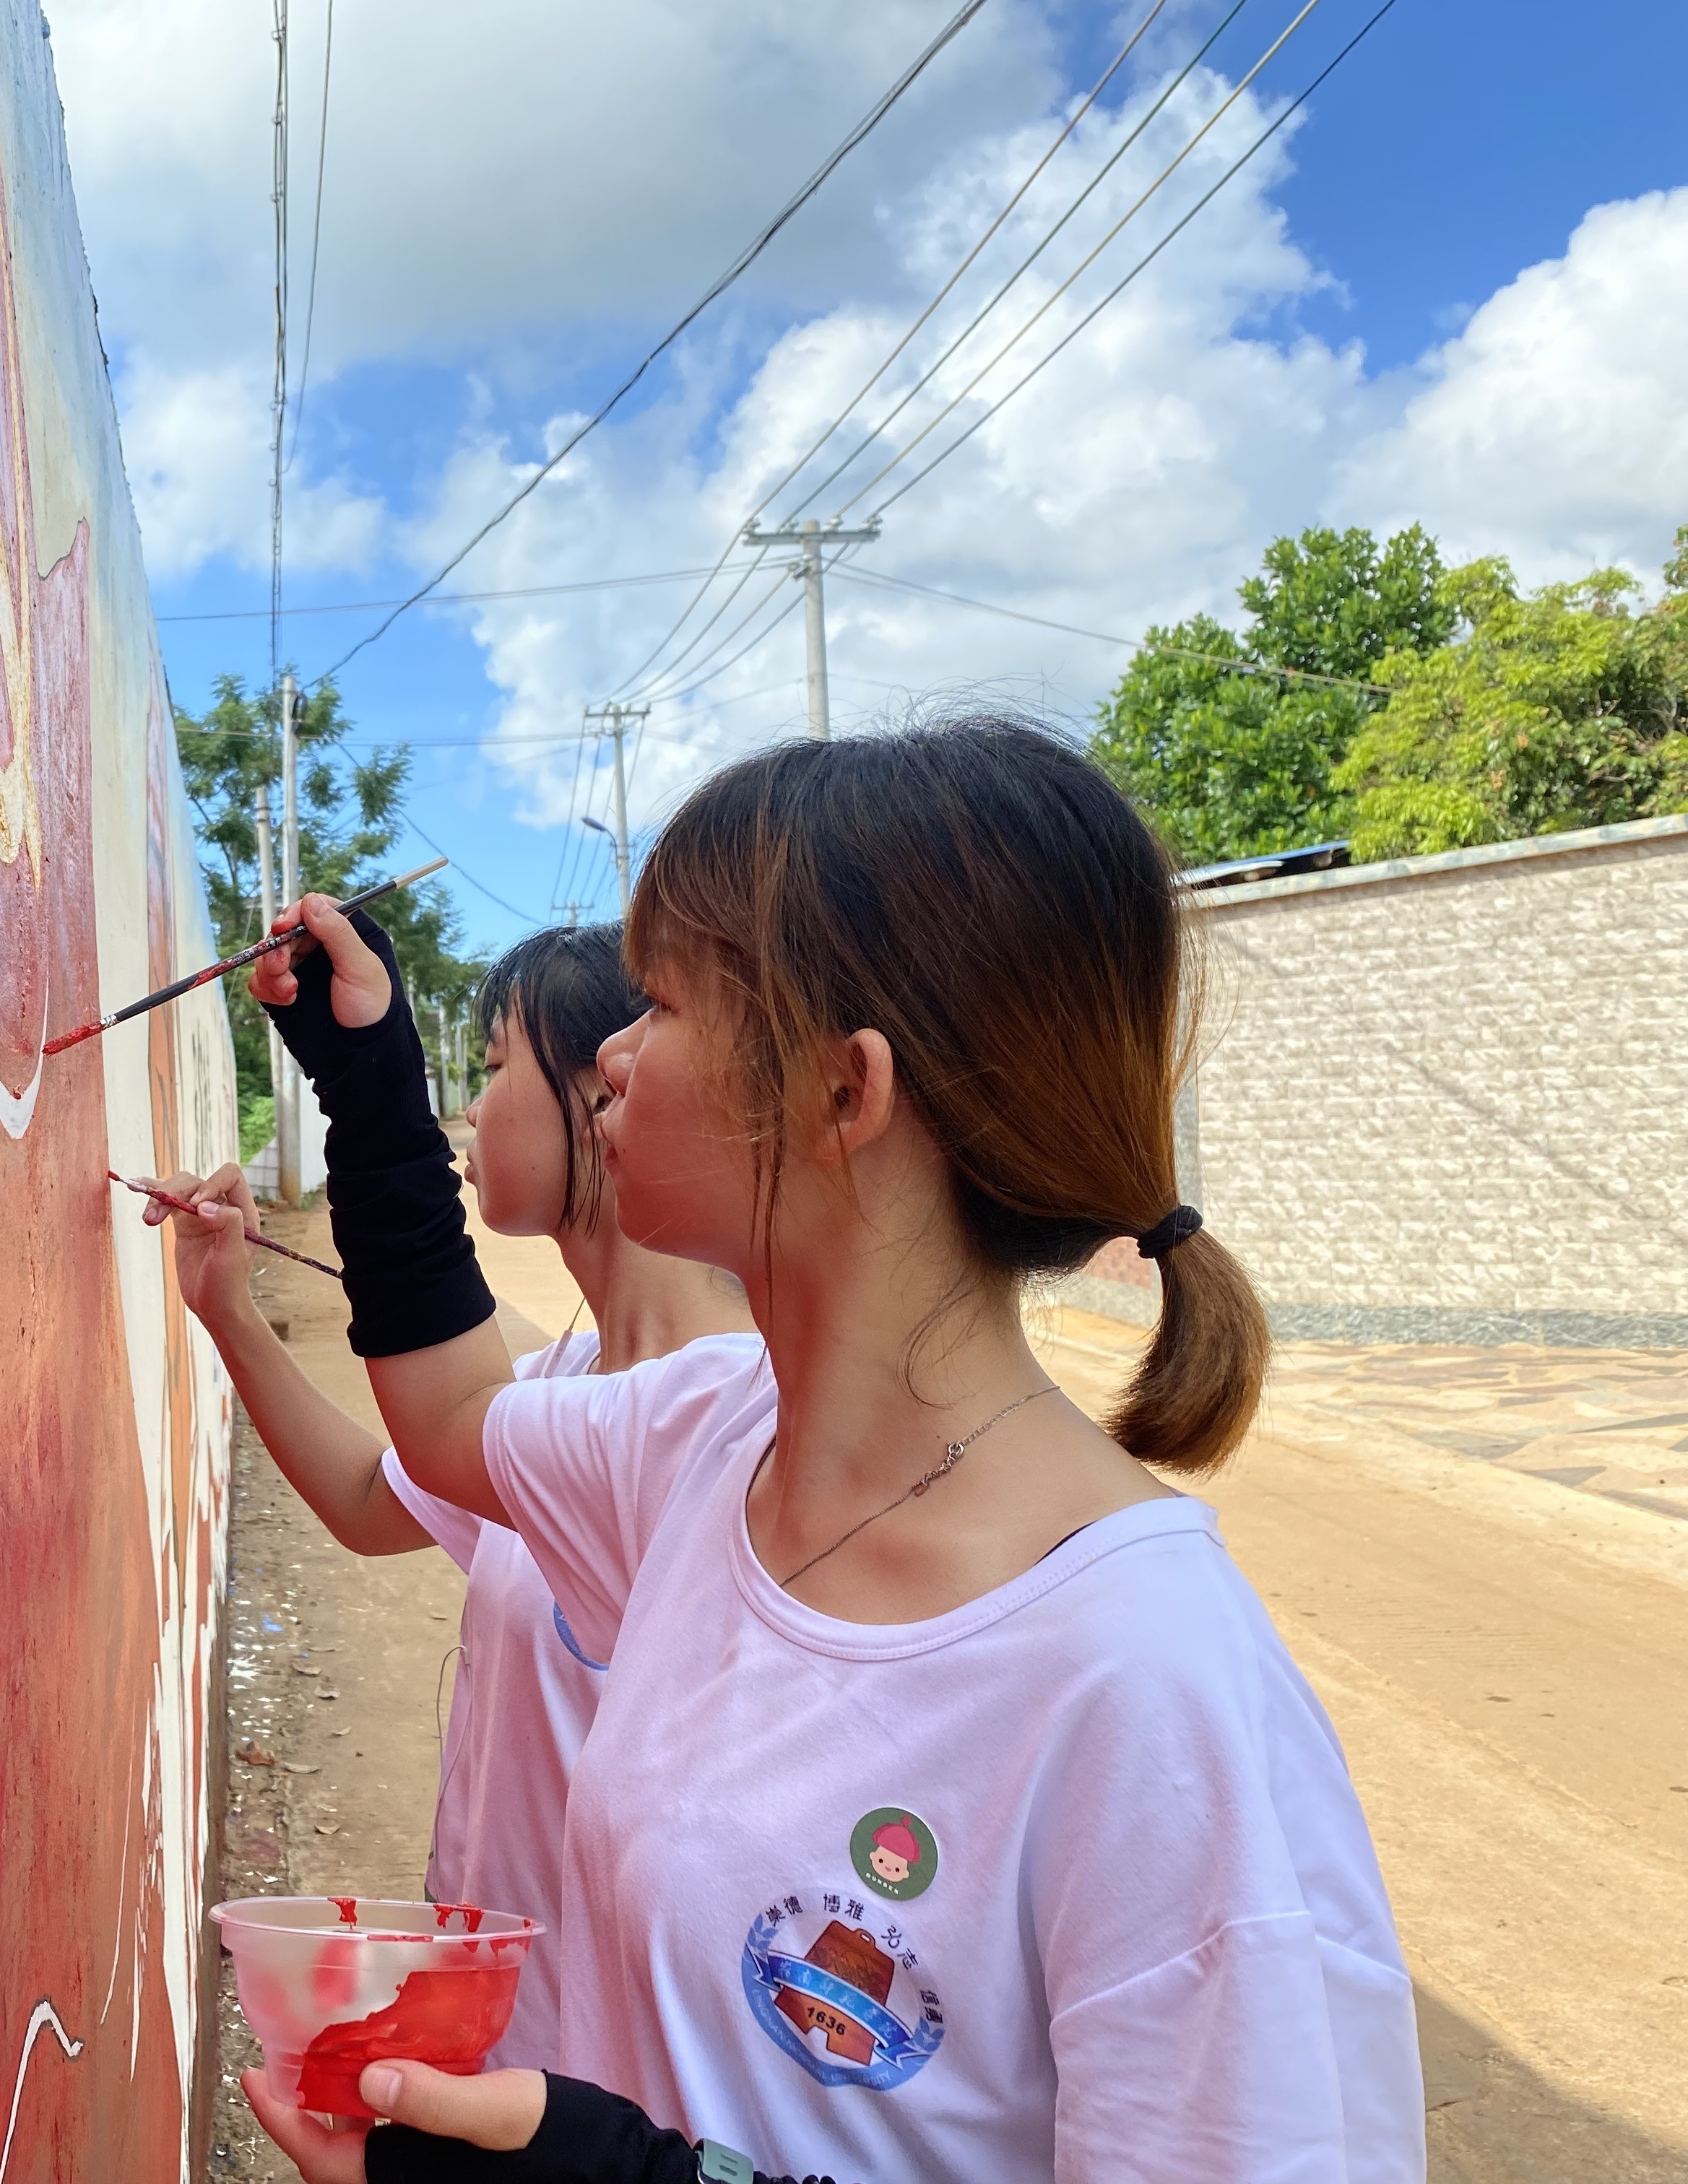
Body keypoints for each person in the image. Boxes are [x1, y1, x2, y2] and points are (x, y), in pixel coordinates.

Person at [220, 720, 1419, 2184]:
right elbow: (450, 1424)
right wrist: (367, 1083)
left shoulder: (1146, 1686)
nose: (609, 1056)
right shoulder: (700, 1445)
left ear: (844, 1094)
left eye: (658, 1004)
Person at [152, 924, 756, 2069]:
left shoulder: (712, 1414)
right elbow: (375, 1501)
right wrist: (229, 1310)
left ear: (608, 1082)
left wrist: (372, 1086)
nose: (470, 1116)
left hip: (607, 2078)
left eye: (487, 1069)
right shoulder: (565, 1387)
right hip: (498, 2029)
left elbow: (436, 1429)